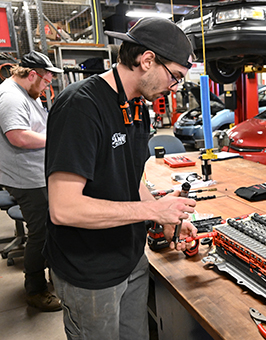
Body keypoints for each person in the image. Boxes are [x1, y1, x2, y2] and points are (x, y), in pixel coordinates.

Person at [43, 17, 198, 340]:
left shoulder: (137, 108)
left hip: (131, 259)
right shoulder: (80, 107)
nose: (174, 88)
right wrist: (152, 212)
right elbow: (64, 209)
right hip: (90, 272)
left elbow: (132, 179)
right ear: (147, 60)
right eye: (175, 77)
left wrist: (164, 215)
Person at [0, 51, 63, 312]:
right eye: (47, 81)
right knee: (41, 232)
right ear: (33, 75)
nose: (48, 86)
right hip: (26, 178)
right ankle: (35, 289)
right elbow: (18, 137)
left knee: (53, 226)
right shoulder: (12, 97)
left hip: (38, 174)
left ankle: (54, 276)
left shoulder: (27, 94)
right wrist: (59, 141)